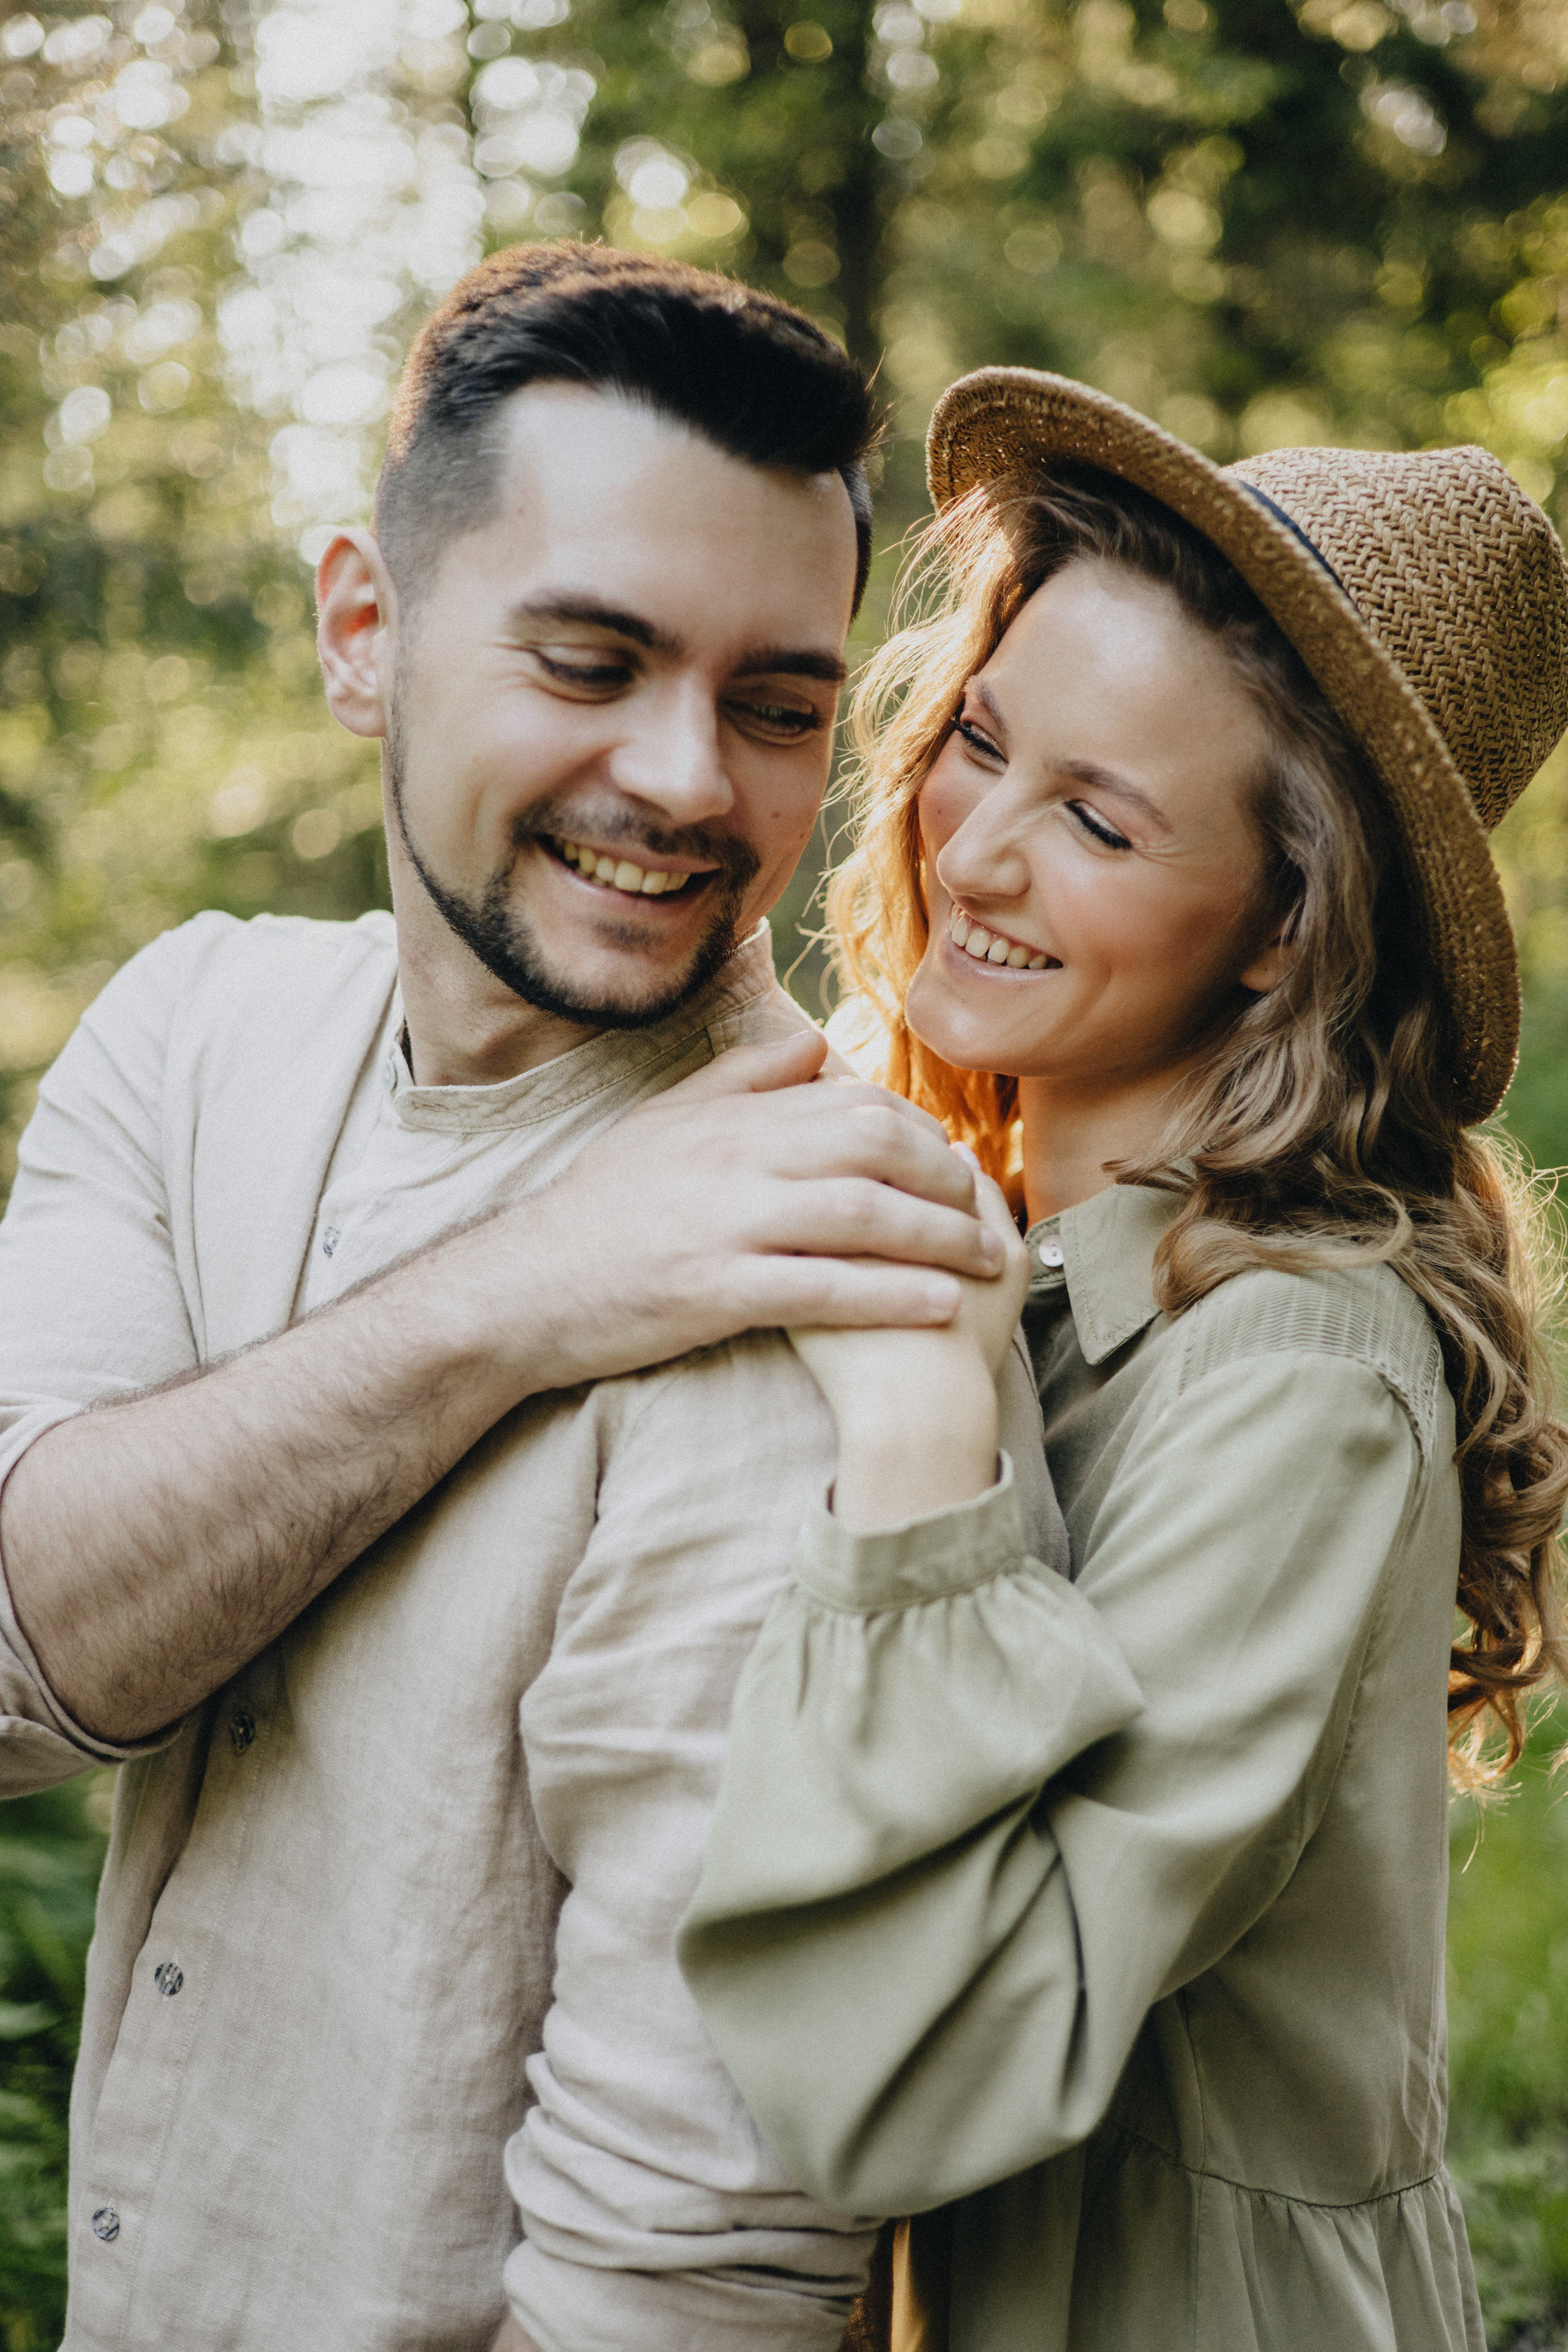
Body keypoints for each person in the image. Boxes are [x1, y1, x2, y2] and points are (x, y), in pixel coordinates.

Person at [0, 247, 1037, 2352]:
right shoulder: (195, 1027)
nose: (688, 781)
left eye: (778, 705)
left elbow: (696, 2263)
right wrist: (520, 1294)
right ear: (363, 632)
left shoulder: (836, 1289)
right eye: (589, 659)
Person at [679, 370, 1568, 2351]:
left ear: (1283, 929)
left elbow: (913, 2083)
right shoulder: (1031, 1256)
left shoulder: (1294, 1376)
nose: (975, 848)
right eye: (982, 742)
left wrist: (928, 1433)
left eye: (1095, 818)